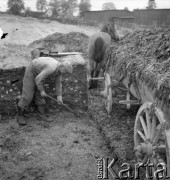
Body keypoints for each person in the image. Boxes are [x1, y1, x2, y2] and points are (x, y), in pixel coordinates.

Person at [17, 57, 73, 126]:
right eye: (65, 71)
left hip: (39, 73)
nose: (64, 73)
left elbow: (58, 83)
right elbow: (38, 79)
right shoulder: (51, 68)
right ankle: (20, 115)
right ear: (62, 67)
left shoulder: (59, 70)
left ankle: (41, 114)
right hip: (31, 70)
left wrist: (59, 96)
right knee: (28, 95)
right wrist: (42, 90)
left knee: (40, 94)